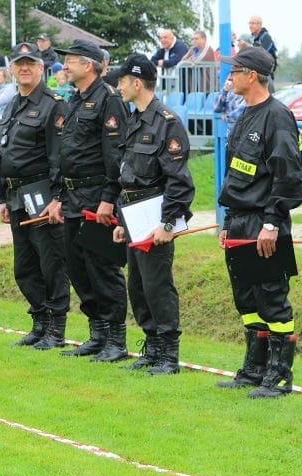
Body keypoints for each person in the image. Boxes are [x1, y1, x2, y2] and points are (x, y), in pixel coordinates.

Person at [216, 47, 302, 398]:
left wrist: (271, 222)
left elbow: (288, 177)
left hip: (264, 225)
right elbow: (238, 175)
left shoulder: (278, 117)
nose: (230, 77)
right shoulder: (244, 114)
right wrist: (228, 220)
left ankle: (279, 375)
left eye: (235, 71)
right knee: (247, 299)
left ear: (252, 75)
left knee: (272, 299)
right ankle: (254, 369)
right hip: (239, 222)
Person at [112, 54, 195, 374]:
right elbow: (128, 174)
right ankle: (152, 345)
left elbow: (178, 180)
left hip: (155, 214)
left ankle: (168, 354)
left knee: (157, 284)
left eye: (121, 81)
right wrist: (121, 221)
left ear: (136, 83)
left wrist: (168, 223)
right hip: (133, 215)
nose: (118, 86)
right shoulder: (134, 119)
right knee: (138, 286)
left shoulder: (166, 121)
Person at [47, 40, 130, 359]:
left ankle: (116, 340)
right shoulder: (75, 100)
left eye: (70, 61)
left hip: (97, 196)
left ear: (90, 65)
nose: (64, 66)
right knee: (77, 266)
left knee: (102, 267)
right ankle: (97, 332)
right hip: (71, 195)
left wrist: (110, 198)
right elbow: (66, 152)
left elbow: (116, 155)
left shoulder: (109, 100)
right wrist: (57, 196)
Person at [0, 42, 71, 349]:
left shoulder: (53, 104)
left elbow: (59, 156)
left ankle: (56, 328)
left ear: (42, 68)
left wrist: (57, 197)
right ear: (12, 68)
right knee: (24, 267)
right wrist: (2, 196)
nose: (24, 68)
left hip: (40, 192)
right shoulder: (14, 103)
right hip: (15, 194)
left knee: (50, 262)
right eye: (19, 63)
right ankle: (39, 322)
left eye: (31, 63)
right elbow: (5, 151)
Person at [249, 16, 277, 89]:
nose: (250, 26)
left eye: (253, 23)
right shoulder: (252, 38)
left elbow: (261, 54)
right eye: (249, 23)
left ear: (260, 25)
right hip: (255, 73)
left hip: (265, 75)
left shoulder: (266, 37)